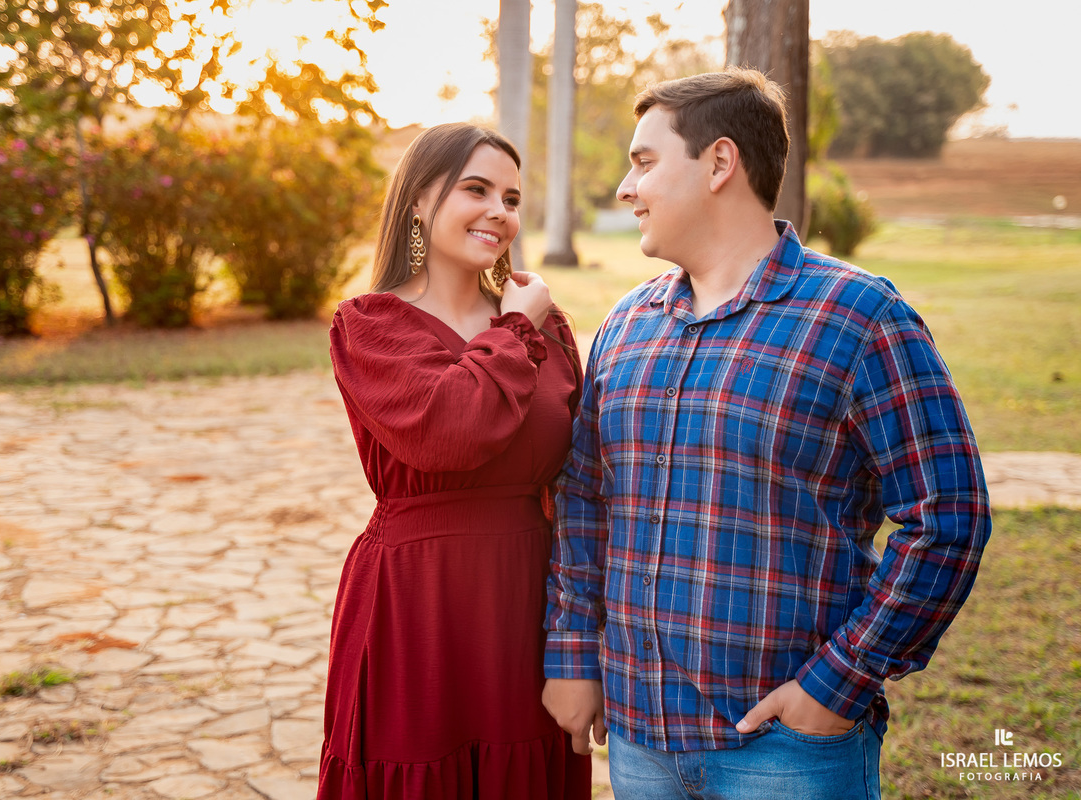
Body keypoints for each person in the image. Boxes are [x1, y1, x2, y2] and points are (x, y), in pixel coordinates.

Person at [541, 68, 991, 799]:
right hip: (639, 741)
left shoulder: (859, 316)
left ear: (720, 163)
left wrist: (838, 683)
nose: (627, 189)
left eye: (644, 162)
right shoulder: (626, 324)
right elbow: (588, 498)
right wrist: (570, 653)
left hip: (788, 751)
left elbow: (948, 518)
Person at [318, 122, 591, 800]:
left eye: (511, 197)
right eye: (477, 189)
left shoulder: (547, 325)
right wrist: (517, 331)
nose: (500, 212)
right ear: (418, 198)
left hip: (527, 600)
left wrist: (581, 640)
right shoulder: (369, 326)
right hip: (416, 604)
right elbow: (451, 432)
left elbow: (582, 474)